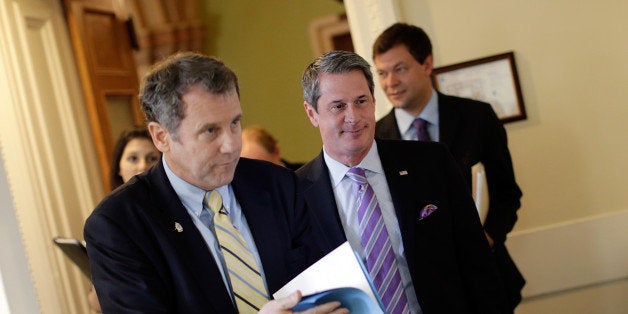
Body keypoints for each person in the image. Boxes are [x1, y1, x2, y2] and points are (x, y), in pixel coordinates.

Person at [84, 52, 346, 314]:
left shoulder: (278, 185)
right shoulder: (119, 225)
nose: (231, 145)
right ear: (161, 136)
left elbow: (327, 287)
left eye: (234, 123)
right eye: (210, 131)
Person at [297, 50, 509, 313]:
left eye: (361, 101)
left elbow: (477, 263)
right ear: (312, 113)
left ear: (374, 101)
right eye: (338, 106)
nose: (353, 117)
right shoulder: (295, 195)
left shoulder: (431, 162)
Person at [372, 23, 525, 310]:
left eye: (400, 68)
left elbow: (507, 193)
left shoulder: (477, 117)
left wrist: (488, 238)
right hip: (418, 295)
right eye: (381, 72)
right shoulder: (376, 139)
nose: (389, 82)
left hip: (489, 283)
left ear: (427, 64)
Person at [88, 126, 160, 313]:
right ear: (119, 167)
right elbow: (96, 301)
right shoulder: (105, 221)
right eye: (133, 158)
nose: (142, 166)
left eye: (152, 158)